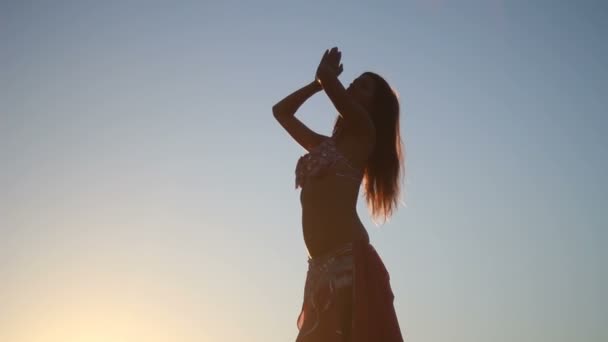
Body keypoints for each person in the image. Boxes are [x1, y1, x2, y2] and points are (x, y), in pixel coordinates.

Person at [273, 47, 405, 342]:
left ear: (374, 106)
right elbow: (280, 112)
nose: (354, 84)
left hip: (350, 263)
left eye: (364, 85)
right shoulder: (323, 146)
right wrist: (317, 84)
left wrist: (326, 76)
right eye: (354, 81)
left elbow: (328, 80)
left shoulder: (364, 132)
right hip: (319, 270)